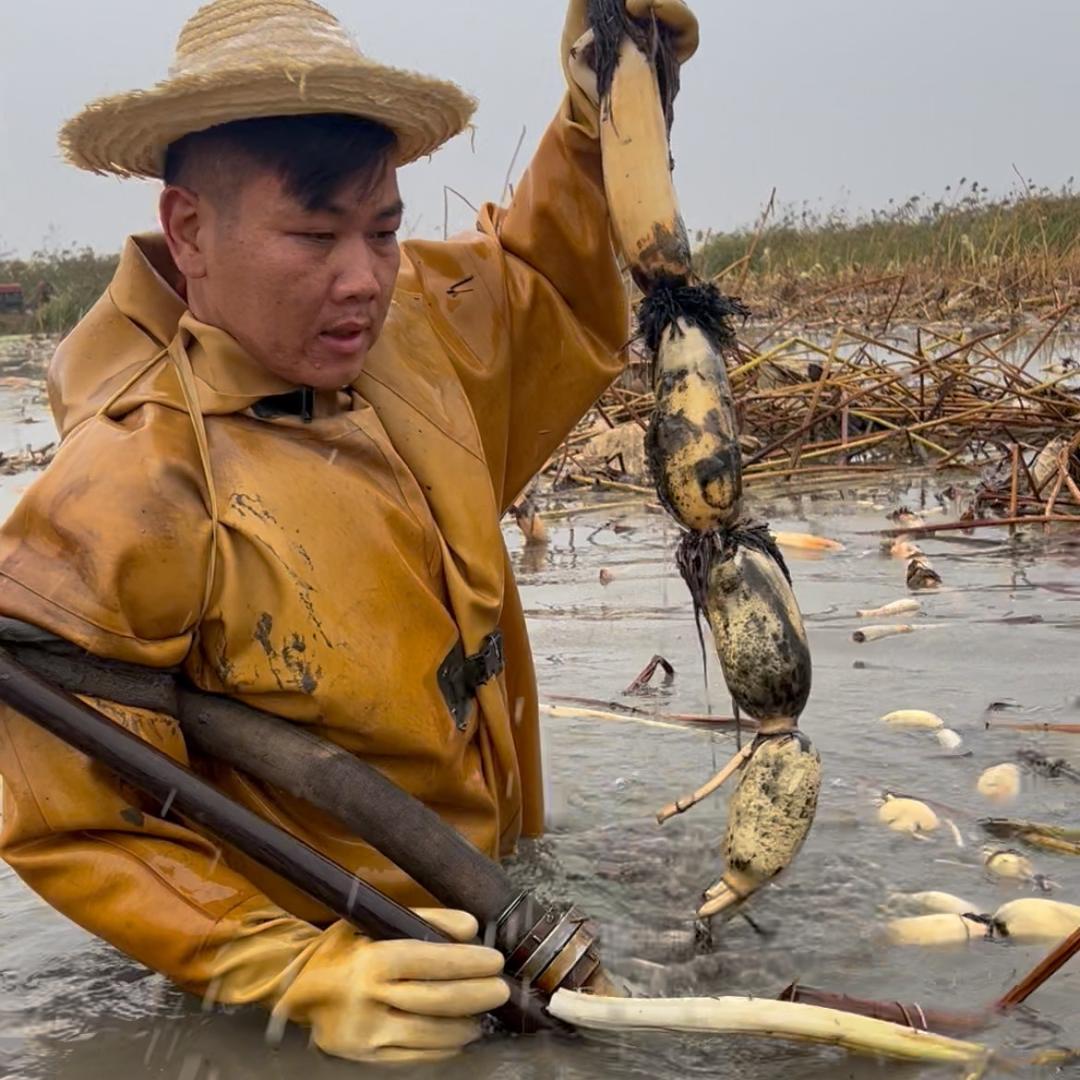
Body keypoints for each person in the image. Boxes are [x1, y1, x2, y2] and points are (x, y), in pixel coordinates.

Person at [0, 0, 698, 1063]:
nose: (364, 278)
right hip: (355, 979)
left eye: (382, 229)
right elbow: (73, 821)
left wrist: (603, 101)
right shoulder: (132, 486)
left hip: (516, 908)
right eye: (314, 236)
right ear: (190, 230)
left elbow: (543, 284)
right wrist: (297, 976)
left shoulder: (407, 336)